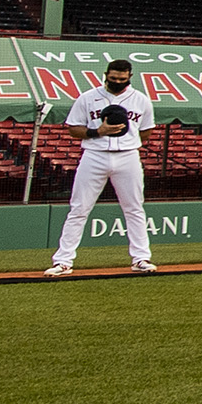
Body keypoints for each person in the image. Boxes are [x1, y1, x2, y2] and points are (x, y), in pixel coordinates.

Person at [46, 60, 157, 274]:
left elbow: (145, 132)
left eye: (122, 79)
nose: (117, 82)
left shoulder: (141, 100)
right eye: (113, 78)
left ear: (129, 77)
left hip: (127, 156)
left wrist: (127, 142)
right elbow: (73, 129)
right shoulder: (87, 97)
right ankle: (63, 261)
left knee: (134, 208)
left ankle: (141, 258)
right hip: (94, 154)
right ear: (106, 74)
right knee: (79, 208)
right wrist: (98, 132)